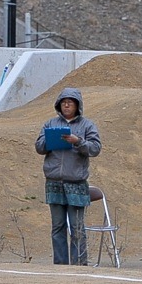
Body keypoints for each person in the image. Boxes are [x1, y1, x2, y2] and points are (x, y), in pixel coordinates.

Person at [35, 87, 102, 265]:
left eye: (70, 102)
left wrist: (77, 141)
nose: (66, 105)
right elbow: (39, 147)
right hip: (54, 182)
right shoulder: (50, 124)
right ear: (59, 105)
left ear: (77, 106)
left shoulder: (87, 125)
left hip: (76, 183)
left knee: (77, 228)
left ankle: (80, 265)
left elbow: (95, 148)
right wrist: (51, 141)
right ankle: (60, 265)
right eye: (64, 102)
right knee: (57, 227)